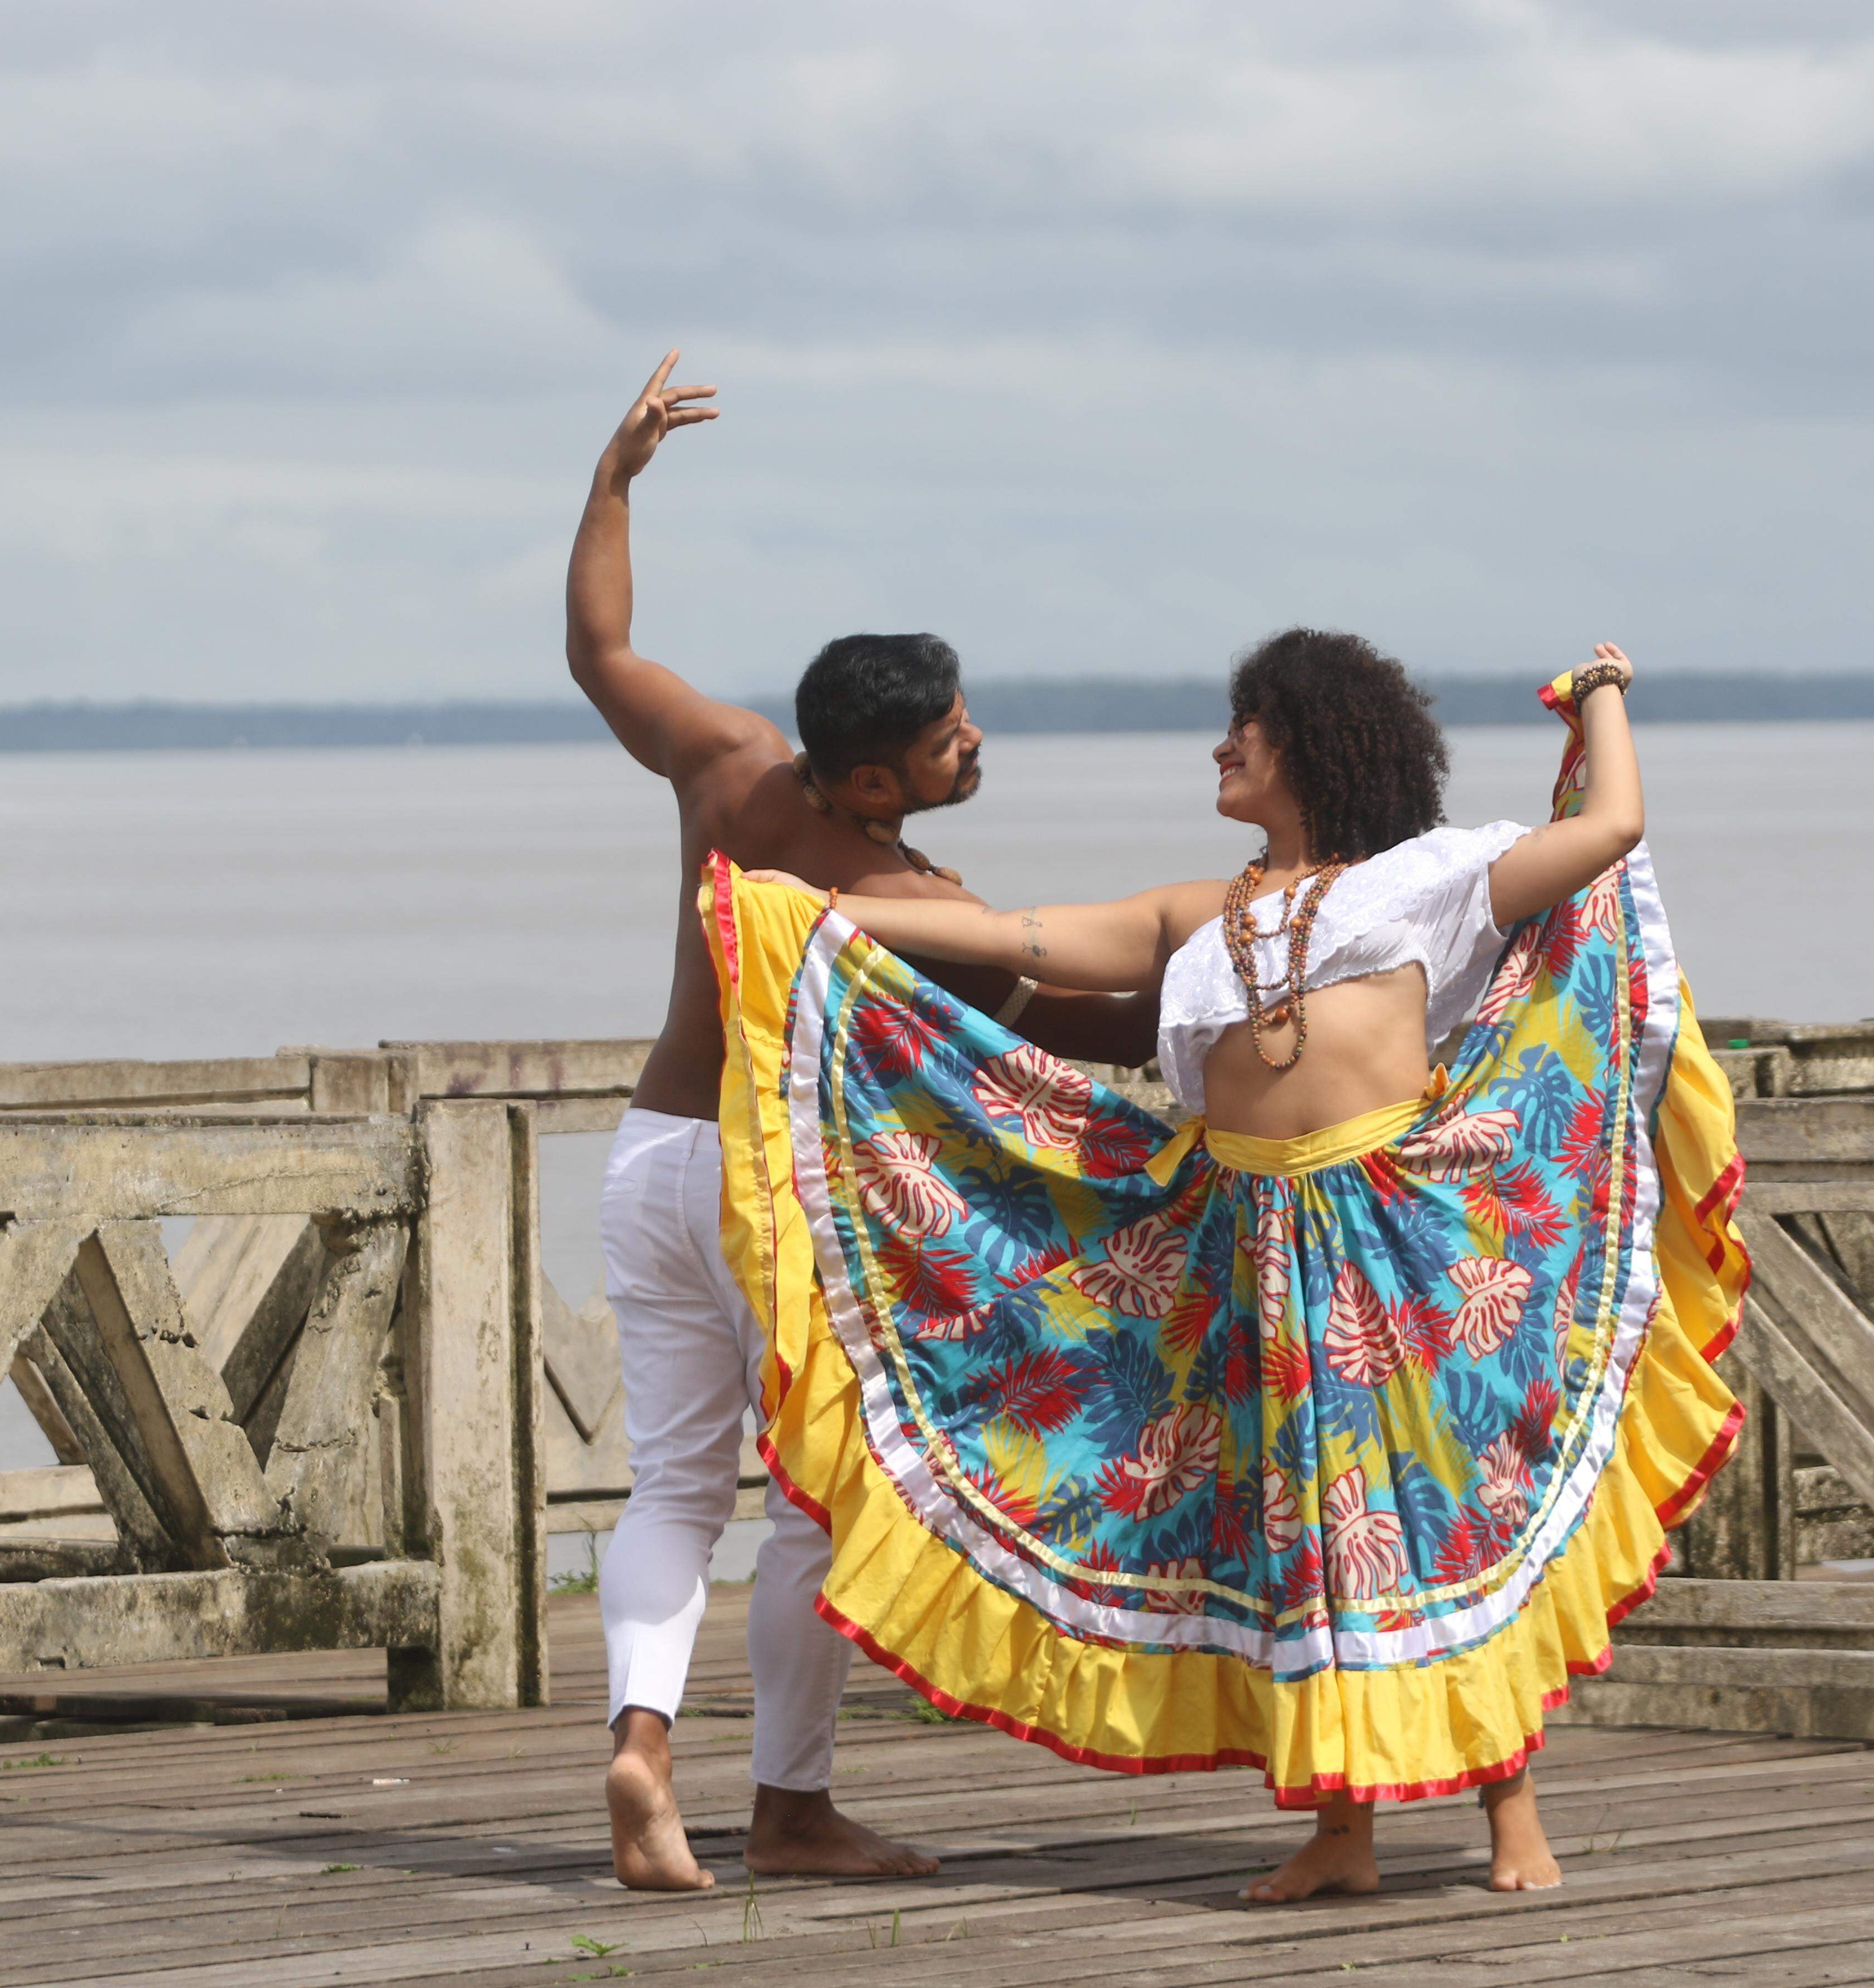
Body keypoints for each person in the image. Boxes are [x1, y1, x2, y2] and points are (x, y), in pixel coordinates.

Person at [706, 626, 1750, 1903]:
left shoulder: (1429, 879)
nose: (1220, 746)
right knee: (1306, 1538)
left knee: (1440, 1516)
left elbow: (1610, 830)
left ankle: (1510, 1807)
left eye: (1242, 731)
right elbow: (1022, 936)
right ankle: (1341, 1830)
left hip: (1394, 1247)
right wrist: (820, 911)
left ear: (1304, 747)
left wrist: (1600, 702)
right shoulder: (1207, 915)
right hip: (1247, 1250)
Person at [564, 353, 1155, 1893]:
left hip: (648, 1160)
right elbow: (1092, 1025)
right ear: (884, 774)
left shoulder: (729, 764)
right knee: (822, 1495)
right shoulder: (909, 903)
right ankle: (787, 1808)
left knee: (674, 1489)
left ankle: (641, 1741)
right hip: (768, 1195)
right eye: (958, 741)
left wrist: (615, 480)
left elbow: (600, 645)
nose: (981, 747)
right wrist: (1271, 1006)